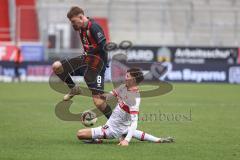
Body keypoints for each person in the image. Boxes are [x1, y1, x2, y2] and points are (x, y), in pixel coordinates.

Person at [77, 68, 174, 146]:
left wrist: (126, 141)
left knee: (80, 134)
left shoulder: (133, 98)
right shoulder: (123, 87)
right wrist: (96, 95)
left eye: (127, 76)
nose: (125, 78)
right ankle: (158, 140)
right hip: (122, 127)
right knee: (129, 131)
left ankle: (98, 139)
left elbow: (134, 122)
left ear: (133, 80)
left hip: (112, 130)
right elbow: (108, 96)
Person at [52, 6, 112, 119]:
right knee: (57, 66)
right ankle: (74, 88)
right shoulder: (81, 28)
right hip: (85, 61)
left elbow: (104, 46)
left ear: (81, 17)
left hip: (97, 66)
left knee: (98, 102)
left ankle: (118, 126)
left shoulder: (94, 27)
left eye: (73, 21)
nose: (72, 24)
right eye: (71, 22)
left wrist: (90, 52)